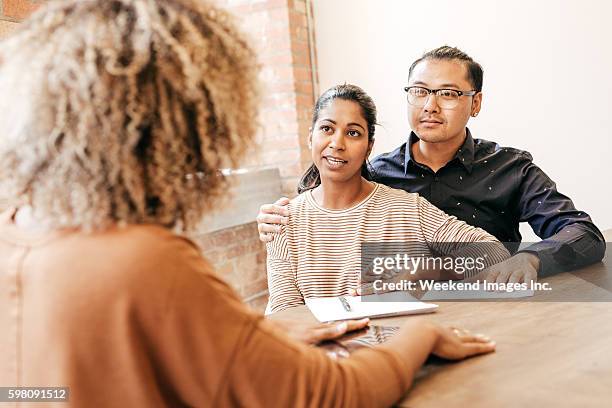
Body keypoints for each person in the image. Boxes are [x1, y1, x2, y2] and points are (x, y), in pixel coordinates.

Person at [0, 1, 497, 406]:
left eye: (353, 133)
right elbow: (335, 393)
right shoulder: (145, 260)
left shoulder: (16, 231)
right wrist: (423, 337)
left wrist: (260, 344)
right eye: (327, 129)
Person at [257, 46, 605, 285]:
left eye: (448, 93)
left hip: (494, 310)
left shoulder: (510, 168)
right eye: (420, 91)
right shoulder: (376, 172)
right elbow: (324, 215)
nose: (430, 106)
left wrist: (531, 259)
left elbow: (584, 235)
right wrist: (278, 222)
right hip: (399, 322)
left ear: (476, 103)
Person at [266, 84, 511, 313]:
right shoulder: (283, 222)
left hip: (404, 349)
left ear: (369, 146)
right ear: (311, 137)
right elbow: (283, 315)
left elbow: (493, 253)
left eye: (353, 133)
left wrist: (423, 271)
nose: (337, 143)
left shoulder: (407, 208)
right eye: (327, 129)